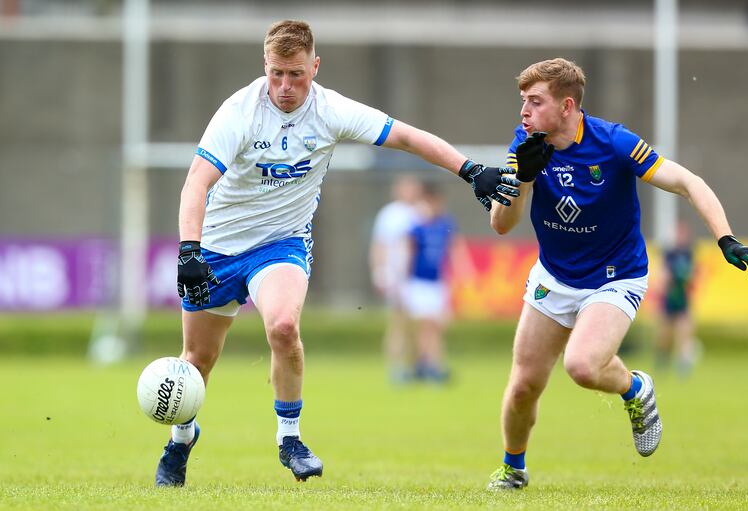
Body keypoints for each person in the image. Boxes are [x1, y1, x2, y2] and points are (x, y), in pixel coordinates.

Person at [157, 19, 521, 487]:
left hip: (280, 243)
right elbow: (196, 182)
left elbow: (407, 137)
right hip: (218, 247)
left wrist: (469, 170)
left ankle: (290, 439)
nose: (285, 86)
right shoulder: (239, 112)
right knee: (197, 360)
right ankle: (181, 440)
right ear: (264, 65)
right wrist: (189, 250)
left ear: (315, 67)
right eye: (276, 74)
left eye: (296, 74)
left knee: (283, 327)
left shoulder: (331, 111)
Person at [486, 58, 748, 490]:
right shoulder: (525, 144)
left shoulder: (613, 142)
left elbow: (687, 182)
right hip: (554, 276)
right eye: (523, 100)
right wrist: (522, 177)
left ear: (567, 105)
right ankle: (513, 468)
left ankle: (635, 389)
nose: (524, 111)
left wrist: (725, 238)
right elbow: (502, 224)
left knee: (582, 366)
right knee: (524, 385)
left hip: (615, 276)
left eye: (535, 101)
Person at [403, 183, 474, 383]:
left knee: (436, 326)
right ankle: (429, 366)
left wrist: (463, 272)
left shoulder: (445, 225)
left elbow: (455, 249)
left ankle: (425, 366)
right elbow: (409, 252)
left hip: (437, 283)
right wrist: (403, 280)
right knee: (426, 325)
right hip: (419, 282)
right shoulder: (417, 227)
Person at [369, 175, 423, 383]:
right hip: (396, 275)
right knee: (398, 322)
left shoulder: (420, 213)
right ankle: (396, 367)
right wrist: (380, 272)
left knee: (417, 325)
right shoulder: (390, 214)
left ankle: (416, 365)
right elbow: (379, 245)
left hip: (417, 276)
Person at [655, 221, 701, 376]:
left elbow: (693, 275)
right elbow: (663, 275)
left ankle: (683, 364)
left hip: (683, 298)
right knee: (665, 335)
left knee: (685, 332)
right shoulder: (669, 253)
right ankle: (662, 360)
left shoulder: (690, 253)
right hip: (669, 298)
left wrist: (687, 278)